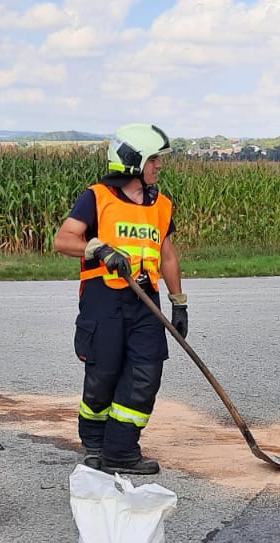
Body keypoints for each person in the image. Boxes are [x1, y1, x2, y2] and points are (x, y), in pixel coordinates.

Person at [53, 123, 187, 475]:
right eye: (154, 159)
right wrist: (97, 248)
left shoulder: (161, 205)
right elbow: (64, 240)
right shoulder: (97, 197)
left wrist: (179, 302)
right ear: (133, 160)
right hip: (104, 302)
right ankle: (96, 444)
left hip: (146, 303)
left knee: (146, 374)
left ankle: (121, 449)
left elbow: (168, 256)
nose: (159, 166)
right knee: (103, 377)